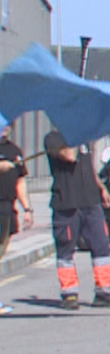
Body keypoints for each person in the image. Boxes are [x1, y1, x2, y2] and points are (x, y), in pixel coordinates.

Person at [44, 129, 110, 310]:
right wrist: (74, 137)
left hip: (90, 201)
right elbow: (70, 156)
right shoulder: (54, 138)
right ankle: (69, 294)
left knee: (101, 245)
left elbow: (87, 165)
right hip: (67, 203)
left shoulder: (82, 137)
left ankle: (105, 292)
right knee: (66, 248)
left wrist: (101, 187)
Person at [0, 125, 34, 314]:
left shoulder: (14, 151)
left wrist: (27, 208)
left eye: (7, 125)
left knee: (1, 251)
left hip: (7, 208)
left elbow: (20, 181)